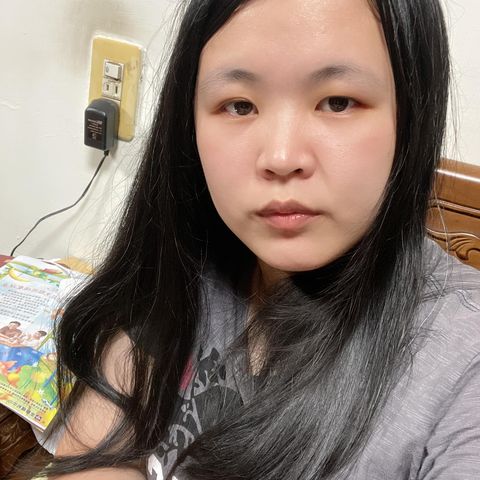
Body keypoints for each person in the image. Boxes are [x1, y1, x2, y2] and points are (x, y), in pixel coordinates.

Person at [30, 0, 480, 479]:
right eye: (240, 105)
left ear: (410, 116)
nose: (281, 157)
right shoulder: (190, 258)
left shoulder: (461, 364)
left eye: (338, 102)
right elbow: (94, 454)